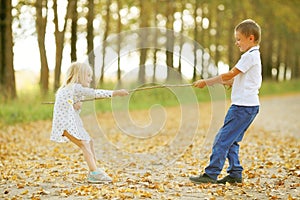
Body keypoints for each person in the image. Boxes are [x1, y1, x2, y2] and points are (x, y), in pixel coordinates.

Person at [189, 19, 262, 184]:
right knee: (232, 141)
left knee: (222, 140)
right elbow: (236, 80)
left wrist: (206, 82)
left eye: (238, 39)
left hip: (242, 107)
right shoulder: (253, 56)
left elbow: (230, 74)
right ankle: (235, 174)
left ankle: (211, 174)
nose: (236, 43)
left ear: (251, 38)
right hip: (248, 106)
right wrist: (225, 83)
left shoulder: (249, 56)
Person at [50, 62, 129, 183]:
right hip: (65, 125)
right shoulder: (75, 88)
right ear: (78, 76)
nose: (90, 78)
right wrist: (116, 93)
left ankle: (95, 169)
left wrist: (76, 104)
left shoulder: (69, 89)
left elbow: (71, 105)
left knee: (89, 141)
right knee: (84, 144)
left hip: (70, 123)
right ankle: (94, 172)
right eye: (88, 75)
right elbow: (94, 93)